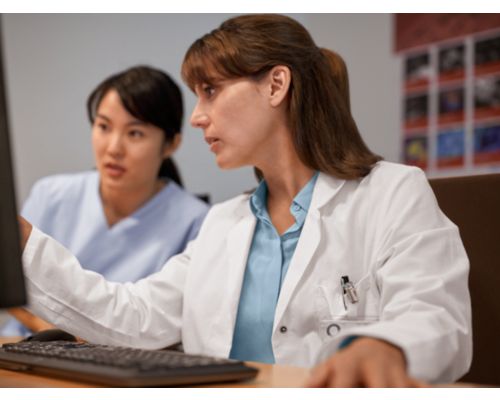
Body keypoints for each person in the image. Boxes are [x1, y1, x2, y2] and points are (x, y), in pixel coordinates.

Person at [16, 15, 471, 387]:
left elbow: (435, 316)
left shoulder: (392, 192)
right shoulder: (222, 223)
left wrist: (386, 345)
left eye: (210, 90)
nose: (196, 117)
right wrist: (19, 243)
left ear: (276, 86)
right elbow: (133, 318)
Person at [4, 66, 208, 336]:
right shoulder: (51, 194)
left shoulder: (197, 221)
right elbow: (10, 284)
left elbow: (168, 323)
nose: (113, 148)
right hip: (25, 346)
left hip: (122, 363)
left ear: (171, 144)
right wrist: (55, 333)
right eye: (103, 127)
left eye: (134, 133)